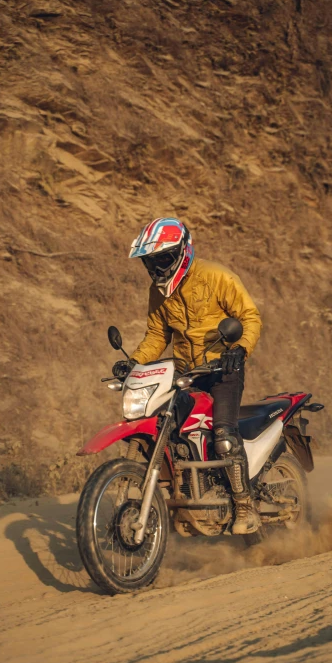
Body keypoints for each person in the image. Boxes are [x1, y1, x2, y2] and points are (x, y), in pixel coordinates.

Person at [112, 218, 262, 535]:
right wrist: (134, 362)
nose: (157, 266)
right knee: (166, 429)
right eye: (151, 260)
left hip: (223, 368)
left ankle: (244, 505)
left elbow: (249, 317)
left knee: (223, 435)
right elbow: (156, 335)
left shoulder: (217, 276)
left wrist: (240, 349)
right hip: (185, 372)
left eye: (163, 258)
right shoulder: (159, 292)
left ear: (182, 251)